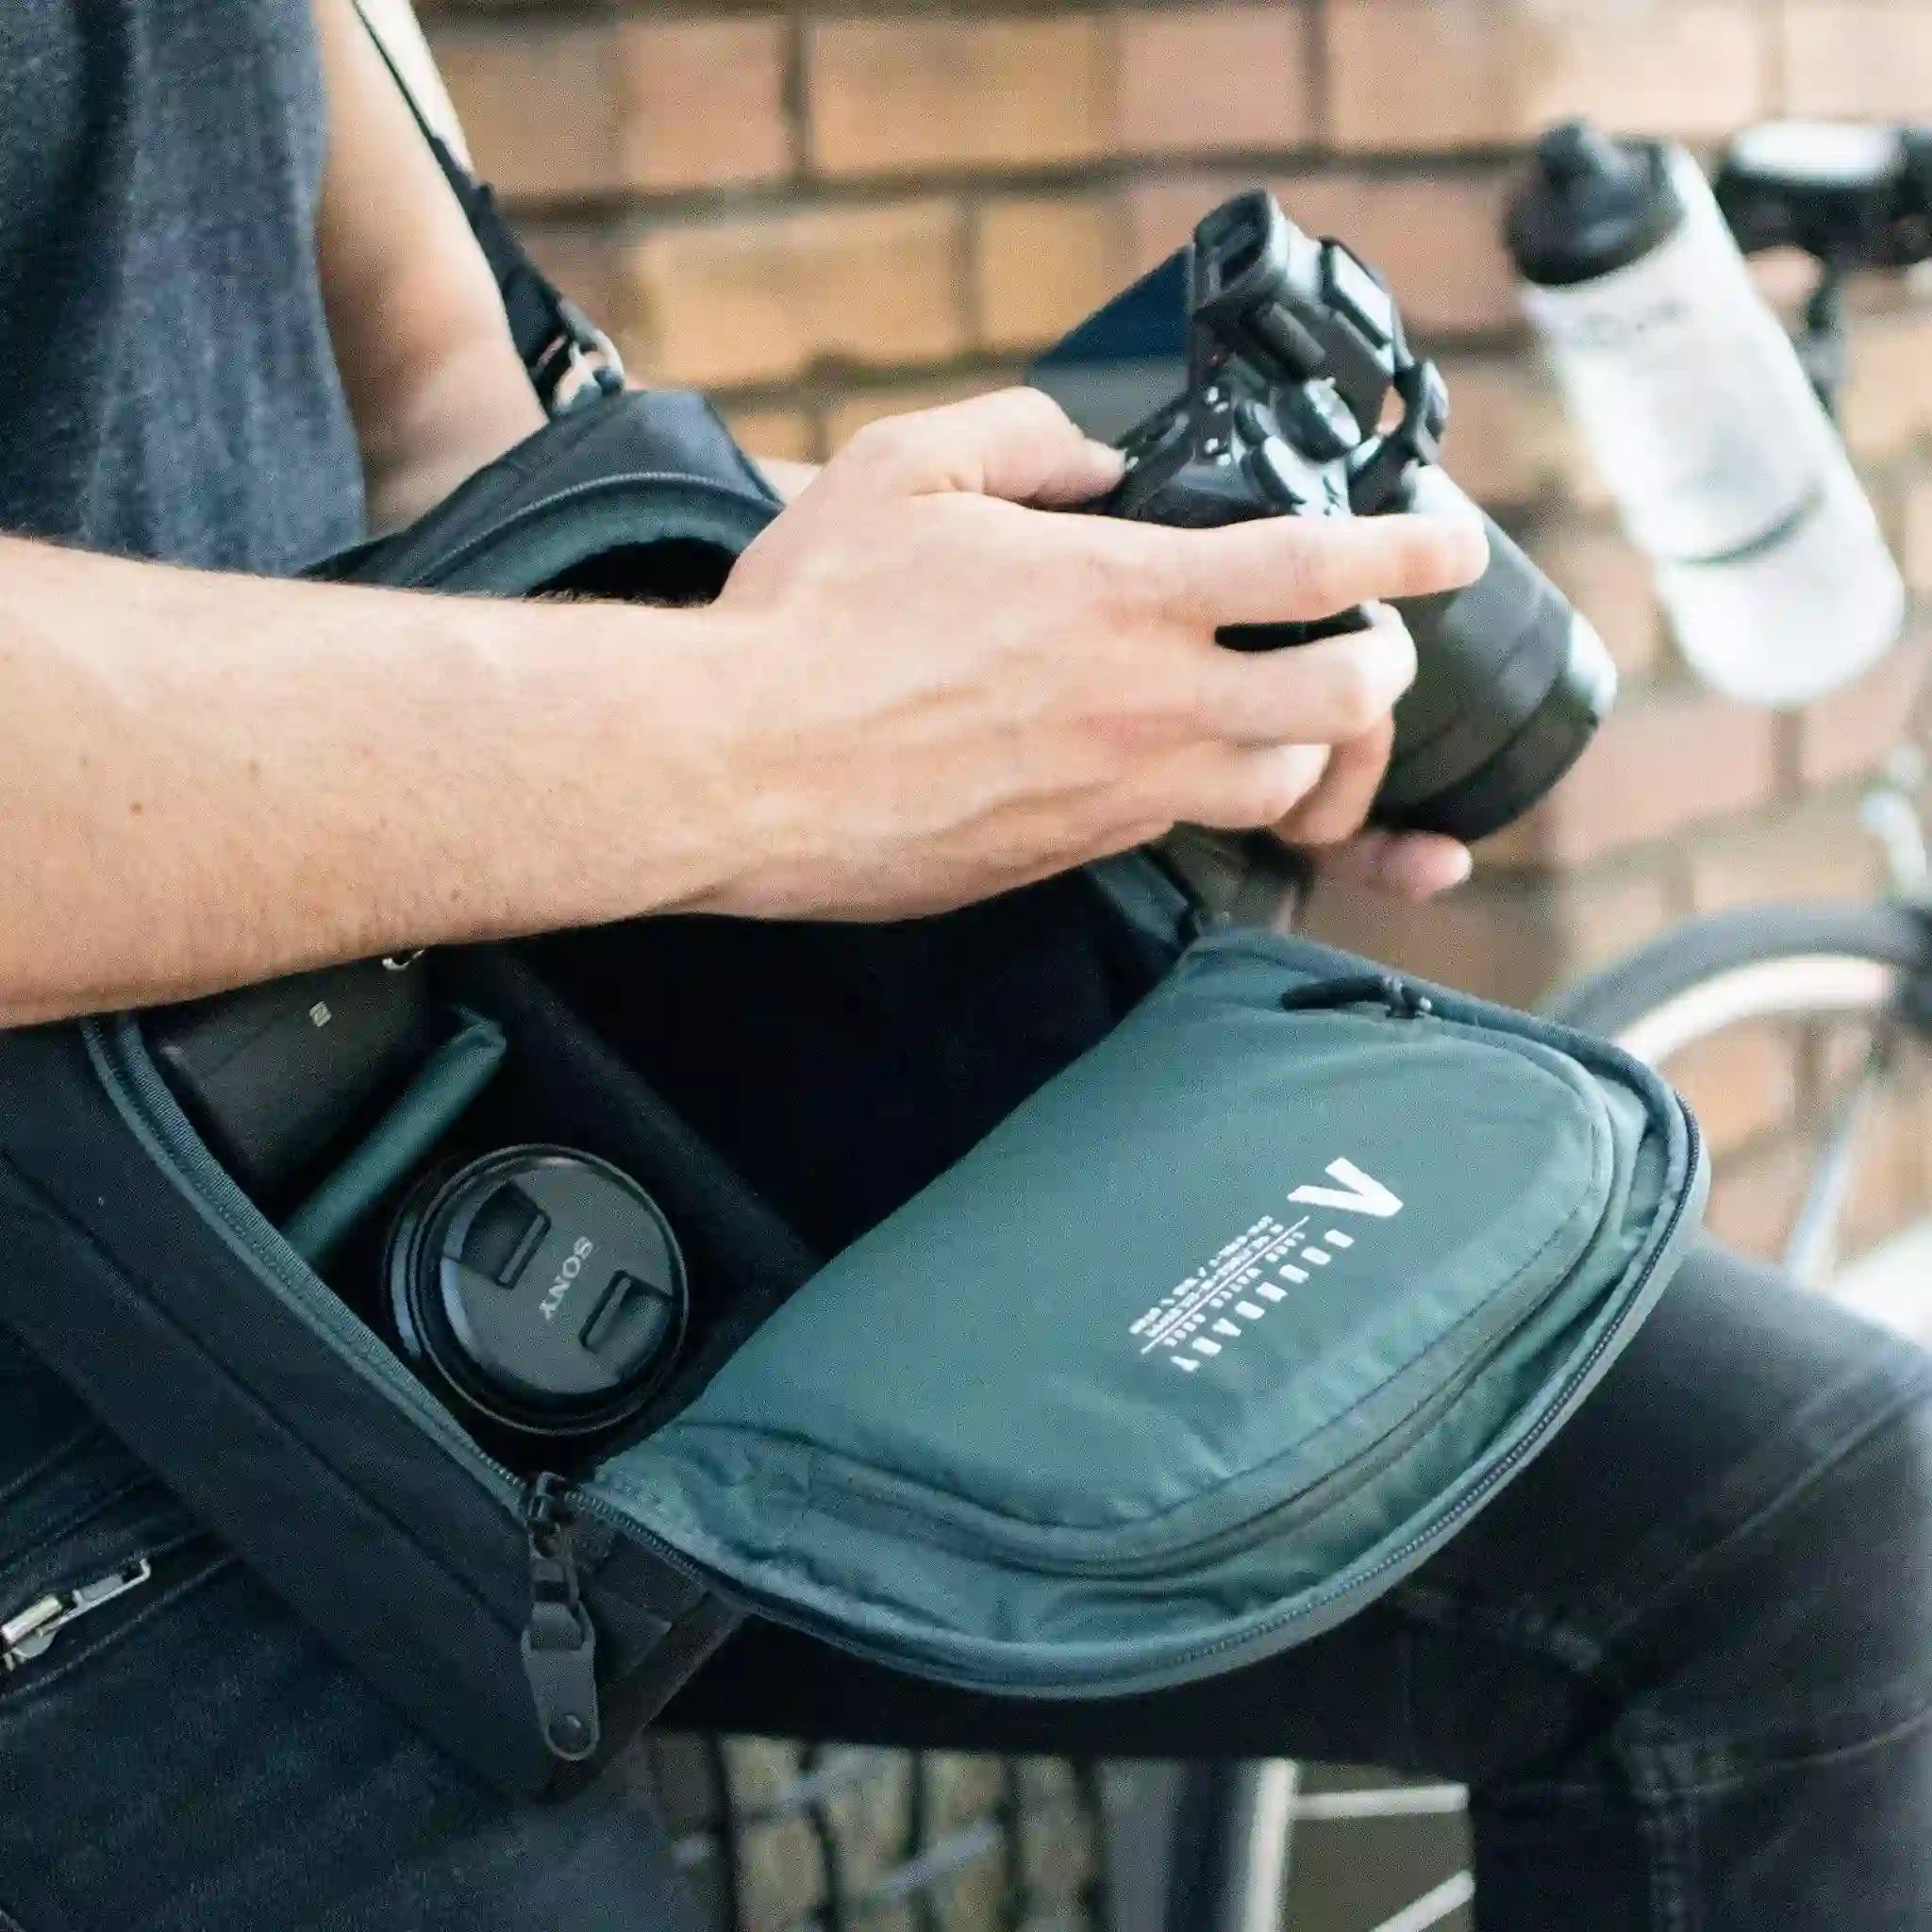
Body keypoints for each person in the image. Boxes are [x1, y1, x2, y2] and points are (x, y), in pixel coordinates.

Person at [1, 4, 1928, 1929]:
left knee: (1810, 1533)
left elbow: (452, 408)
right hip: (77, 1473)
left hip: (449, 1077)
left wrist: (1057, 653)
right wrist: (757, 732)